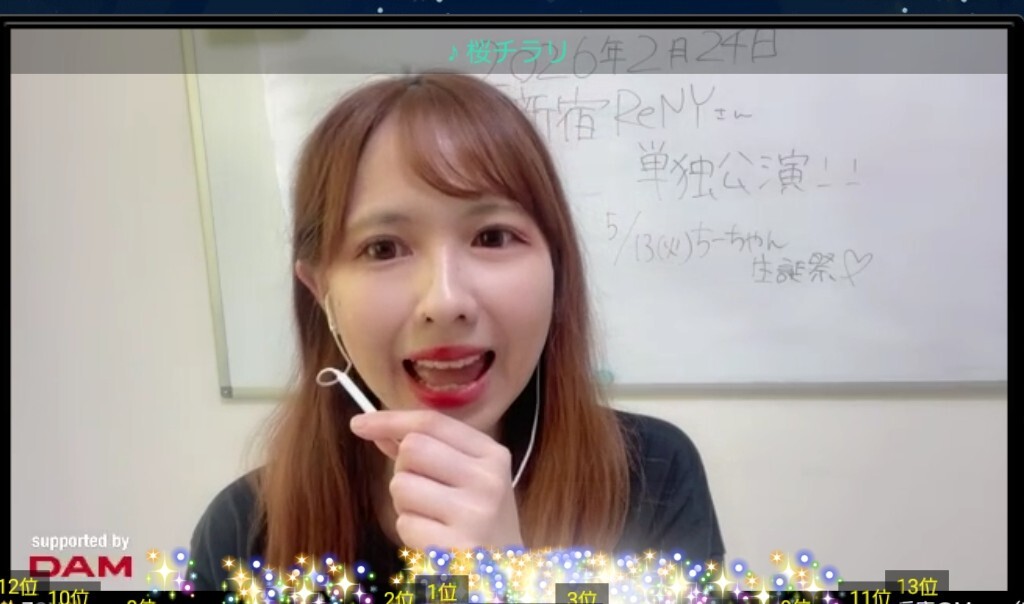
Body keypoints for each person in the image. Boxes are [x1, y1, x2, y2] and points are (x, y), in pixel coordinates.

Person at [189, 72, 724, 592]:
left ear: (557, 268)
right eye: (383, 248)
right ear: (319, 290)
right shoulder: (243, 533)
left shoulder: (652, 476)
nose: (445, 302)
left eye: (492, 237)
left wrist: (511, 582)